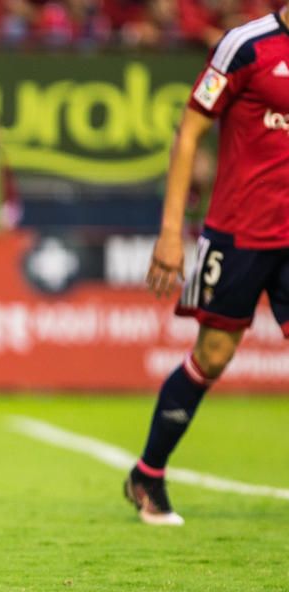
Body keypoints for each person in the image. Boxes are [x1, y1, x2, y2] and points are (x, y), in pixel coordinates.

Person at [127, 7, 289, 525]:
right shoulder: (245, 45)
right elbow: (190, 132)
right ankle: (147, 474)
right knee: (213, 355)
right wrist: (172, 232)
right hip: (237, 234)